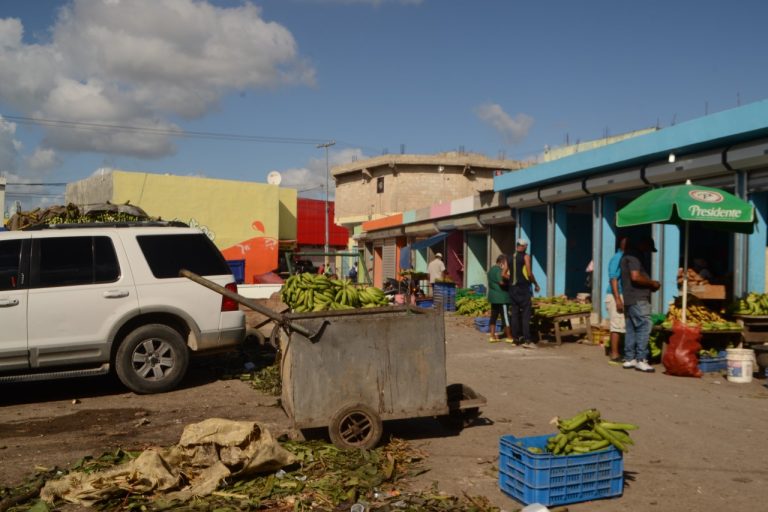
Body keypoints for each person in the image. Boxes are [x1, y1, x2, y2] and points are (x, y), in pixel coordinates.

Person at [620, 237, 661, 373]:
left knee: (631, 327)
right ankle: (641, 359)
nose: (648, 251)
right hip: (638, 297)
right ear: (642, 244)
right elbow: (636, 277)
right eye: (648, 248)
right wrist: (652, 283)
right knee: (644, 326)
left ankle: (629, 358)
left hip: (629, 297)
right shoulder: (634, 256)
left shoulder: (626, 256)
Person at [507, 238, 541, 348]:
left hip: (512, 290)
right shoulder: (526, 256)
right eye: (526, 245)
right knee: (526, 315)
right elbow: (529, 273)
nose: (526, 247)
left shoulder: (510, 257)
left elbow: (503, 273)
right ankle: (527, 340)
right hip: (523, 289)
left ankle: (515, 339)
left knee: (515, 315)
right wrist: (535, 284)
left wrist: (513, 280)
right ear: (522, 246)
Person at [605, 236, 628, 364]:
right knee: (617, 325)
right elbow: (613, 278)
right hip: (615, 295)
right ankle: (614, 354)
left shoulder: (624, 257)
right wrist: (618, 298)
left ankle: (617, 350)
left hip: (620, 295)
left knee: (621, 325)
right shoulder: (618, 258)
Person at [487, 254, 514, 343]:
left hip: (493, 297)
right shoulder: (499, 270)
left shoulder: (491, 270)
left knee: (493, 317)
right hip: (502, 298)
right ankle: (509, 336)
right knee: (505, 317)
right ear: (502, 262)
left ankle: (492, 336)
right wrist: (510, 282)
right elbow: (501, 282)